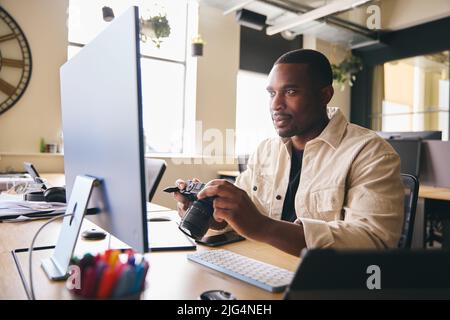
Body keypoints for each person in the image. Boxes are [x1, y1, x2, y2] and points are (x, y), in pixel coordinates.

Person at [174, 49, 404, 257]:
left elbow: (373, 243)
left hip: (325, 284)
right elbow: (239, 220)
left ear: (325, 95)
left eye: (290, 91)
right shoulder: (266, 150)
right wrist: (208, 212)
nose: (276, 104)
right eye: (272, 93)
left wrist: (264, 227)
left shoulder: (370, 152)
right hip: (265, 266)